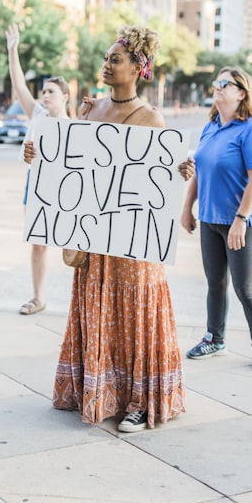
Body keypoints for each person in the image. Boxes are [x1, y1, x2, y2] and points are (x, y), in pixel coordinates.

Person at [24, 26, 188, 433]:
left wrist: (181, 171)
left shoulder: (151, 119)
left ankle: (137, 400)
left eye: (116, 59)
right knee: (100, 310)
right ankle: (99, 390)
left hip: (134, 247)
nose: (107, 64)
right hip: (96, 241)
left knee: (133, 316)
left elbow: (161, 177)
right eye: (107, 58)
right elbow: (72, 173)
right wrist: (38, 155)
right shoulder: (90, 111)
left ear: (138, 68)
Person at [180, 68, 252, 372]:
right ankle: (214, 338)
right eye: (216, 83)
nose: (217, 87)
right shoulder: (210, 128)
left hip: (239, 222)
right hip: (209, 219)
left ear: (242, 92)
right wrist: (187, 208)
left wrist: (241, 219)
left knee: (245, 288)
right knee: (215, 283)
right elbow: (200, 170)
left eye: (225, 84)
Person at [5, 22, 71, 315]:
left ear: (65, 97)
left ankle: (81, 301)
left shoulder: (74, 127)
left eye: (51, 92)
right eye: (43, 91)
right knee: (38, 243)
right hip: (36, 187)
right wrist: (13, 50)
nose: (45, 96)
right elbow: (18, 85)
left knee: (74, 247)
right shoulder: (38, 115)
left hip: (65, 191)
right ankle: (38, 297)